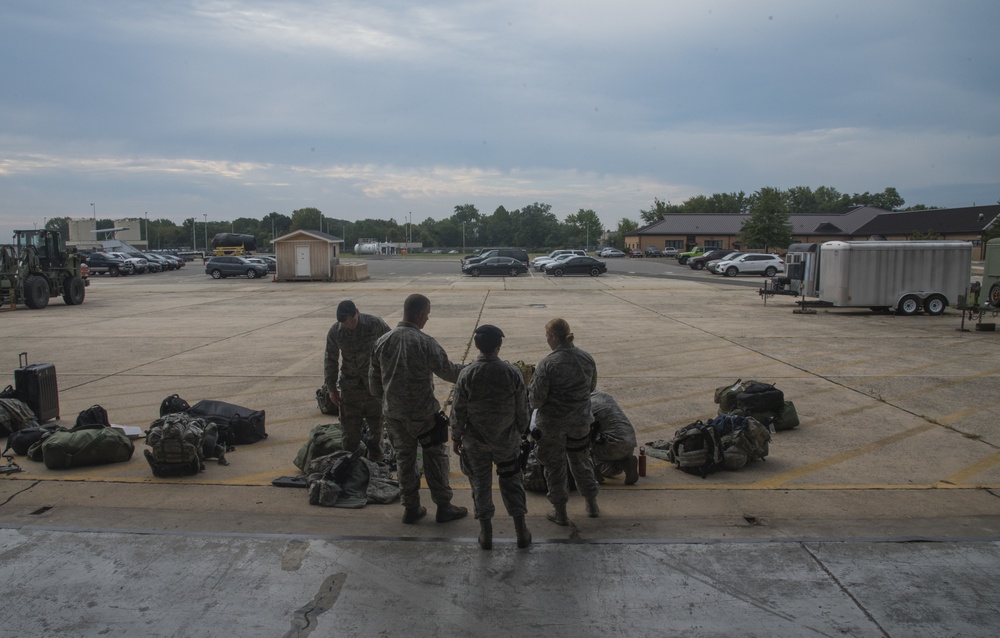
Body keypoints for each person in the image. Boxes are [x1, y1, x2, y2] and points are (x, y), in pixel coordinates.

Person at [370, 294, 467, 525]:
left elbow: (374, 383)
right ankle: (444, 506)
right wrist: (475, 369)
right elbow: (449, 372)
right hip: (423, 415)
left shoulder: (382, 341)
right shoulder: (425, 342)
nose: (428, 318)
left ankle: (411, 508)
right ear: (420, 313)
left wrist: (389, 402)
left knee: (404, 459)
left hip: (394, 415)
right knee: (434, 458)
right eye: (427, 314)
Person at [451, 324, 532, 550]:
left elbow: (458, 409)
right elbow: (523, 410)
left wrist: (456, 436)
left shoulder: (467, 373)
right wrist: (519, 432)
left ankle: (486, 534)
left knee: (480, 485)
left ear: (477, 345)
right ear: (499, 345)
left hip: (476, 443)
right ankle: (521, 532)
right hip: (506, 441)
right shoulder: (512, 372)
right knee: (512, 482)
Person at [528, 318, 600, 526]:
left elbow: (536, 399)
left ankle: (560, 513)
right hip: (580, 422)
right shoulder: (586, 358)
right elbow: (591, 387)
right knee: (581, 461)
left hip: (553, 425)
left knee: (554, 466)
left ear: (552, 337)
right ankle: (592, 505)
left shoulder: (548, 363)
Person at [324, 300, 391, 461]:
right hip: (350, 388)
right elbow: (330, 359)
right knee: (349, 433)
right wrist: (331, 388)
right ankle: (350, 467)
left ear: (357, 312)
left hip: (373, 388)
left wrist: (390, 380)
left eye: (352, 321)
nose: (350, 326)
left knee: (376, 431)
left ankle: (377, 464)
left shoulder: (374, 324)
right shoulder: (336, 331)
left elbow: (391, 347)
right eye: (345, 324)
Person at [589, 390, 639, 485]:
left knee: (577, 447)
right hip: (630, 443)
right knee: (607, 469)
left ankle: (593, 474)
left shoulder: (583, 404)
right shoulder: (603, 396)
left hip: (611, 446)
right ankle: (625, 463)